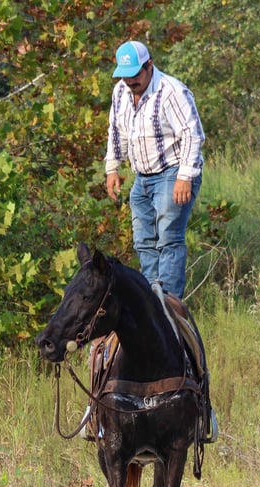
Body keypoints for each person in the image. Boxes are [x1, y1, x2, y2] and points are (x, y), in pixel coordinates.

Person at [105, 40, 205, 299]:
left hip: (173, 171)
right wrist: (112, 168)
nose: (130, 81)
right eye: (125, 75)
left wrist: (185, 176)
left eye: (135, 74)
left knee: (169, 238)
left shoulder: (172, 91)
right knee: (143, 241)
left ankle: (168, 303)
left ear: (149, 65)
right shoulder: (120, 91)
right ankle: (150, 300)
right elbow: (116, 130)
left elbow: (193, 134)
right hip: (142, 176)